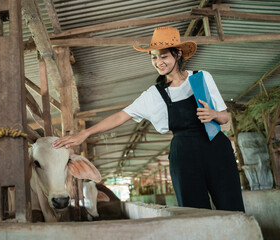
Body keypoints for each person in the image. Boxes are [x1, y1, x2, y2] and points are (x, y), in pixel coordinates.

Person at [53, 26, 245, 212]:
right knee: (194, 211)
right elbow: (121, 115)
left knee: (231, 205)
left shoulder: (201, 78)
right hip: (185, 155)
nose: (158, 62)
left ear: (177, 54)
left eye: (163, 56)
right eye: (154, 57)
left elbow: (224, 116)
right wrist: (85, 133)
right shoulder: (154, 94)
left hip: (216, 149)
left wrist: (213, 114)